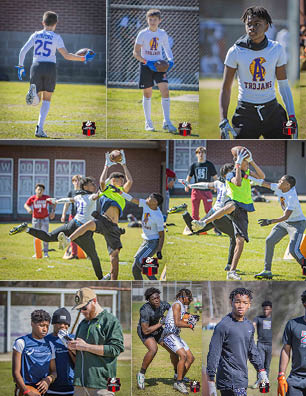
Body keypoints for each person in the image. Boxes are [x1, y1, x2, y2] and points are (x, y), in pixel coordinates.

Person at [219, 6, 298, 139]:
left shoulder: (277, 49)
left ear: (266, 27)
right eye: (249, 24)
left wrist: (291, 115)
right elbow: (226, 88)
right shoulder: (235, 51)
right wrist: (223, 119)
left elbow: (283, 85)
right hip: (245, 113)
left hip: (273, 111)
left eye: (257, 24)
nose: (252, 27)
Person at [16, 11, 95, 138]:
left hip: (36, 66)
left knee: (36, 100)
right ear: (56, 24)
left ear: (43, 22)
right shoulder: (56, 37)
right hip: (50, 67)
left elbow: (23, 51)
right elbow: (67, 55)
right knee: (47, 99)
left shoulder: (35, 35)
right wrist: (82, 58)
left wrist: (20, 66)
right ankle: (39, 128)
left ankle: (33, 94)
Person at [9, 177, 104, 280]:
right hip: (83, 230)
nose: (94, 185)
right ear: (85, 187)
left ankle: (27, 229)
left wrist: (56, 200)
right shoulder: (90, 197)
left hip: (72, 225)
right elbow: (100, 192)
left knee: (48, 237)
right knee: (94, 256)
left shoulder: (78, 196)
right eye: (92, 183)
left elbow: (67, 200)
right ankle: (101, 279)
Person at [193, 147, 265, 280]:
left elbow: (262, 176)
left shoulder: (247, 172)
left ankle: (231, 271)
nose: (247, 164)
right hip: (233, 203)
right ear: (237, 161)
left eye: (247, 162)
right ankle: (204, 222)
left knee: (240, 241)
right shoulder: (232, 174)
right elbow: (237, 183)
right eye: (245, 162)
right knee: (231, 206)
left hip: (244, 210)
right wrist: (237, 165)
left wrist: (252, 161)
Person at [59, 151, 133, 280]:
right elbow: (102, 180)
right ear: (113, 180)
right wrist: (107, 166)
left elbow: (130, 181)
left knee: (114, 258)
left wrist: (124, 165)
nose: (122, 181)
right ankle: (68, 240)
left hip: (114, 227)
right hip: (103, 220)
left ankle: (112, 279)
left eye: (122, 180)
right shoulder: (106, 189)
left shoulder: (122, 192)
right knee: (88, 225)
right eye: (120, 179)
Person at [206, 288, 268, 396]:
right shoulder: (223, 326)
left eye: (245, 303)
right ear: (231, 302)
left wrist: (261, 370)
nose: (241, 306)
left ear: (249, 305)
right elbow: (214, 353)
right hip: (228, 380)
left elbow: (252, 350)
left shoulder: (249, 326)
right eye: (237, 302)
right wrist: (210, 379)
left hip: (242, 379)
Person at [68, 287, 124, 396]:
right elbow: (81, 353)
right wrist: (73, 348)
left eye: (84, 308)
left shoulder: (111, 320)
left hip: (104, 385)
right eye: (79, 309)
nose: (82, 312)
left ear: (94, 301)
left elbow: (116, 349)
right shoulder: (83, 323)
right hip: (80, 384)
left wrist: (85, 346)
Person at [180, 163, 236, 271]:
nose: (234, 173)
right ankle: (230, 266)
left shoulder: (219, 182)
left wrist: (191, 185)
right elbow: (205, 185)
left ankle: (184, 213)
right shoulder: (231, 184)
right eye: (232, 171)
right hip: (220, 215)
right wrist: (191, 186)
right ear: (225, 174)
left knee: (195, 230)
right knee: (235, 236)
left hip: (213, 211)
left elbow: (204, 185)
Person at [252, 175, 306, 279]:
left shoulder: (291, 197)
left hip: (297, 224)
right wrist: (248, 177)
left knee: (294, 250)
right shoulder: (280, 187)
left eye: (281, 181)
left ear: (287, 185)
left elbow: (286, 216)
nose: (278, 181)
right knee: (269, 240)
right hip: (286, 222)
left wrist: (270, 221)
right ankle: (267, 271)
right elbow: (264, 183)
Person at [133, 9, 176, 132]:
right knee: (147, 94)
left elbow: (167, 48)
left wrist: (170, 60)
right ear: (147, 20)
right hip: (146, 66)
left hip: (159, 66)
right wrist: (146, 61)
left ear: (159, 21)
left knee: (165, 91)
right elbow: (135, 52)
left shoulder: (162, 33)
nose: (152, 22)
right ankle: (148, 122)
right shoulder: (142, 33)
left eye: (155, 20)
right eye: (150, 19)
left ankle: (167, 121)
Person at [109, 185, 164, 280]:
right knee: (135, 268)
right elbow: (132, 199)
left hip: (153, 243)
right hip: (146, 241)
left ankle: (155, 283)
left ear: (155, 202)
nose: (147, 198)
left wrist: (159, 250)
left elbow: (162, 235)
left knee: (140, 262)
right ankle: (140, 288)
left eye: (150, 197)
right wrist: (120, 192)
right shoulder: (146, 204)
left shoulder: (158, 217)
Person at [136, 288, 179, 390]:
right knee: (153, 349)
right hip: (145, 331)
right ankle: (141, 374)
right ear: (149, 300)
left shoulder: (163, 304)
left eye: (157, 297)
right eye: (153, 299)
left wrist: (186, 317)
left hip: (157, 329)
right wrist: (161, 323)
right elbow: (146, 330)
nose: (156, 300)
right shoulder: (144, 310)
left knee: (174, 350)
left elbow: (174, 311)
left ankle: (177, 374)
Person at [12, 309, 57, 396]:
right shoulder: (21, 342)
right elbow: (15, 373)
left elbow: (54, 371)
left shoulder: (50, 345)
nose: (45, 329)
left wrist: (48, 380)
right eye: (41, 325)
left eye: (47, 326)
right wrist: (26, 391)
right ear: (32, 324)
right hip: (24, 389)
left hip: (42, 391)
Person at [161, 288, 196, 395]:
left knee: (191, 358)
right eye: (189, 297)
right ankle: (179, 383)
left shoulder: (182, 306)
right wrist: (189, 325)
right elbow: (177, 323)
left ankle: (180, 377)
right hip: (169, 334)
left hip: (175, 335)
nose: (190, 300)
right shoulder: (177, 305)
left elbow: (181, 320)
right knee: (183, 356)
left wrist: (189, 318)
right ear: (183, 297)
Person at [278, 290, 306, 396]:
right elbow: (286, 350)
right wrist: (281, 375)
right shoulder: (292, 324)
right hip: (295, 380)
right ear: (304, 303)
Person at [45, 308, 75, 396]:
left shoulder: (74, 339)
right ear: (53, 323)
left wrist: (69, 345)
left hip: (71, 387)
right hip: (51, 388)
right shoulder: (46, 340)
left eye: (65, 323)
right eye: (59, 323)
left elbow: (79, 363)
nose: (62, 326)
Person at [185, 146, 218, 225]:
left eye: (203, 152)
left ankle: (215, 228)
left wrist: (216, 186)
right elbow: (189, 177)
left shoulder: (209, 164)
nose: (201, 154)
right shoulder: (194, 165)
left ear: (205, 154)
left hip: (206, 191)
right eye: (199, 153)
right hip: (196, 191)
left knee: (209, 210)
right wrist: (186, 185)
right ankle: (196, 228)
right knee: (195, 212)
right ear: (196, 154)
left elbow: (215, 177)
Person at [24, 183, 55, 258]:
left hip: (45, 218)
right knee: (36, 236)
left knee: (45, 235)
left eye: (41, 190)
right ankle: (37, 252)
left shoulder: (46, 198)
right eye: (38, 189)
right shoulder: (33, 198)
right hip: (36, 219)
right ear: (35, 190)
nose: (40, 191)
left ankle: (46, 253)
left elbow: (54, 202)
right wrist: (28, 209)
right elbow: (26, 204)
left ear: (43, 191)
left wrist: (52, 212)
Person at [251, 301, 272, 389]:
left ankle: (265, 383)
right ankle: (258, 381)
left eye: (267, 309)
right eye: (264, 309)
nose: (265, 311)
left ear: (271, 309)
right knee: (260, 364)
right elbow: (253, 325)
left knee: (267, 365)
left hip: (271, 345)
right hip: (261, 344)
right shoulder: (258, 318)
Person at [61, 174, 82, 259]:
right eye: (75, 181)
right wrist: (63, 214)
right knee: (72, 234)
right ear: (73, 182)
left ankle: (89, 254)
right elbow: (66, 204)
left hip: (82, 217)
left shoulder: (83, 192)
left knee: (84, 235)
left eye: (79, 180)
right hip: (73, 216)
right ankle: (74, 254)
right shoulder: (71, 192)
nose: (77, 182)